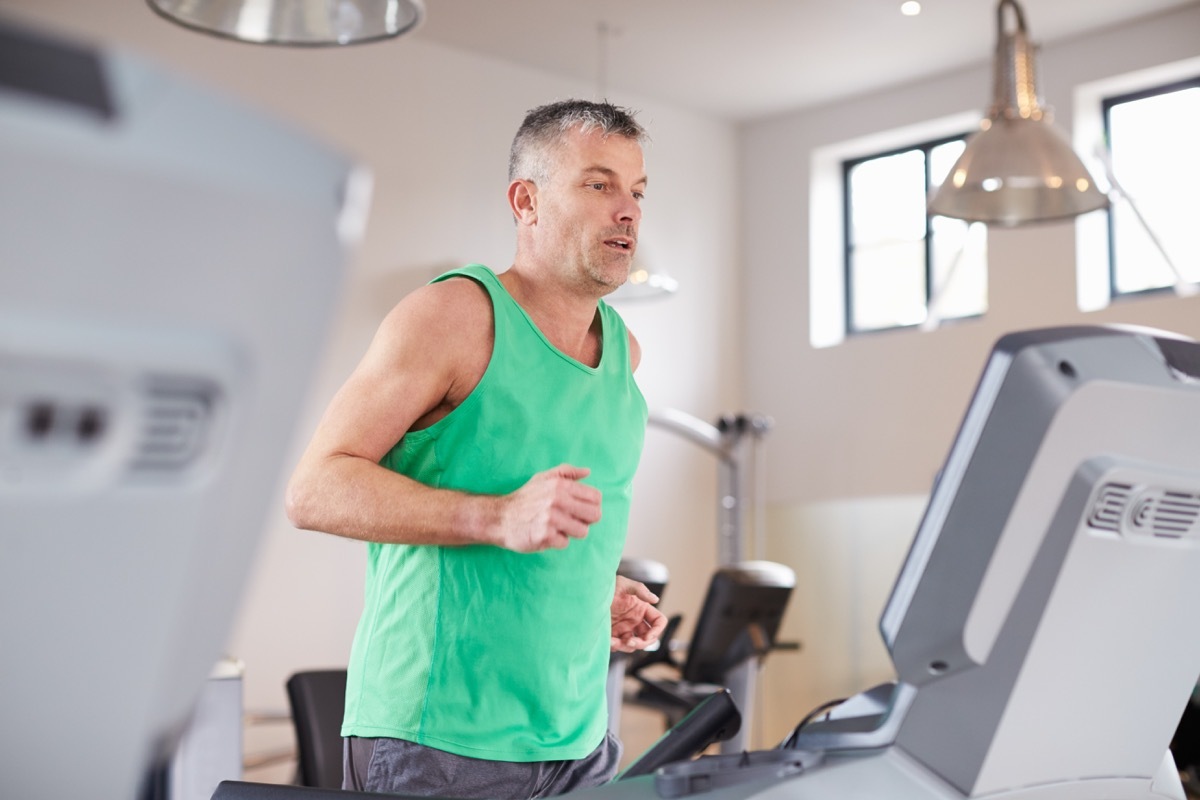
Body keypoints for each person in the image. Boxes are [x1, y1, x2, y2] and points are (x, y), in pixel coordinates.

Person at [285, 99, 668, 799]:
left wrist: (590, 594)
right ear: (526, 200)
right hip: (439, 742)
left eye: (638, 192)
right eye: (599, 184)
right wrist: (496, 518)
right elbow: (314, 488)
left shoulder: (625, 354)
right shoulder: (455, 316)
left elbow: (543, 532)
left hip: (580, 738)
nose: (628, 211)